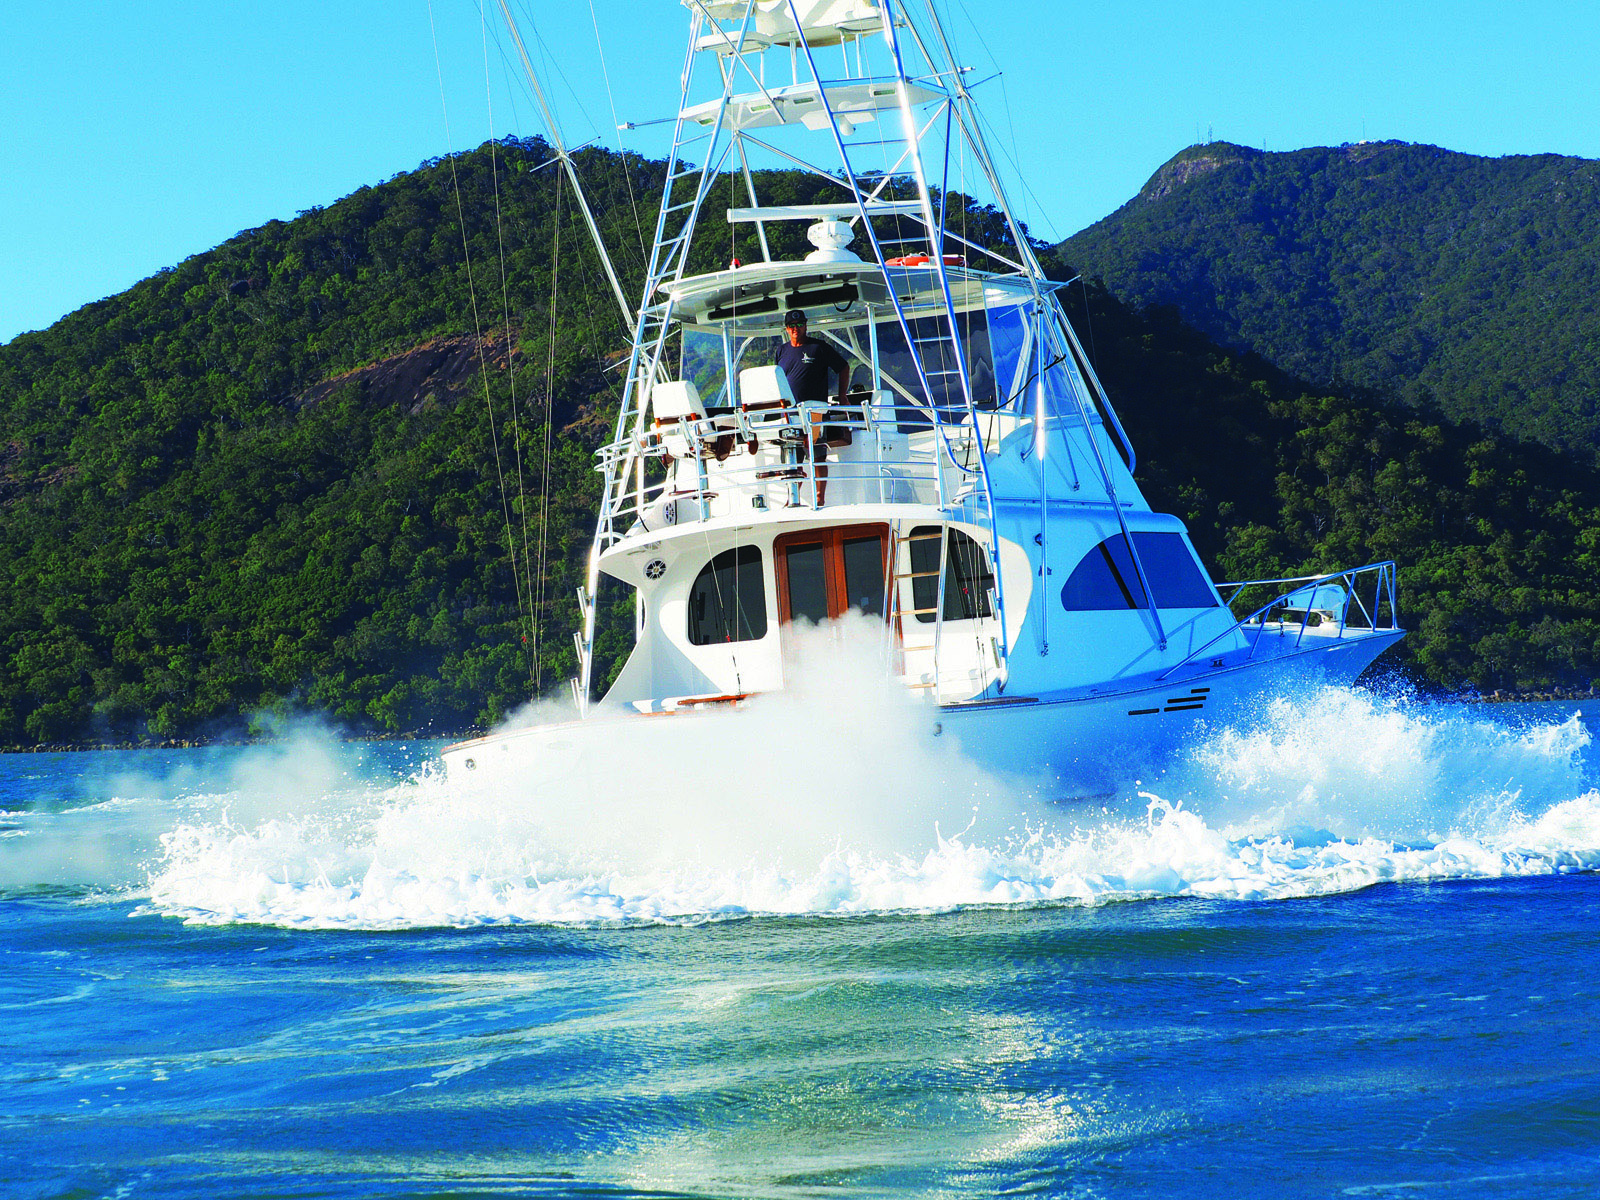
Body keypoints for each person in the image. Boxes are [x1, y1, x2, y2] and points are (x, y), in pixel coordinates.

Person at [774, 310, 850, 505]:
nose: (796, 329)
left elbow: (843, 367)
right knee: (793, 459)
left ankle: (820, 498)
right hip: (790, 414)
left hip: (815, 411)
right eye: (792, 326)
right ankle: (792, 497)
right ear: (786, 329)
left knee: (817, 456)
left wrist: (842, 396)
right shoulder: (781, 351)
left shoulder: (819, 347)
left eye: (799, 324)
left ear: (806, 325)